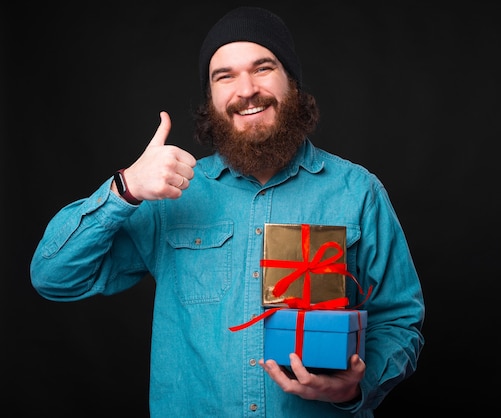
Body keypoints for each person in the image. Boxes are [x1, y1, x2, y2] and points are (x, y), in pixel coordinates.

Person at [30, 6, 425, 417]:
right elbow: (54, 277)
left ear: (292, 82)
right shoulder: (170, 194)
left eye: (263, 68)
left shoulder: (357, 191)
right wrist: (125, 189)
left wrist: (353, 388)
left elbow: (399, 321)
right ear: (211, 98)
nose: (246, 89)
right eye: (225, 76)